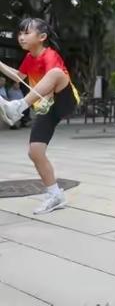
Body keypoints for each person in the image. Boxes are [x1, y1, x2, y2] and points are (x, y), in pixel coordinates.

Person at [0, 18, 79, 214]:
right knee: (35, 152)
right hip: (45, 107)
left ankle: (17, 107)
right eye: (20, 33)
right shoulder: (29, 58)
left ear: (42, 37)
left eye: (27, 33)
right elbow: (19, 77)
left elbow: (54, 78)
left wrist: (34, 102)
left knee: (56, 73)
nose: (21, 37)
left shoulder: (49, 55)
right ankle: (55, 195)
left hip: (64, 98)